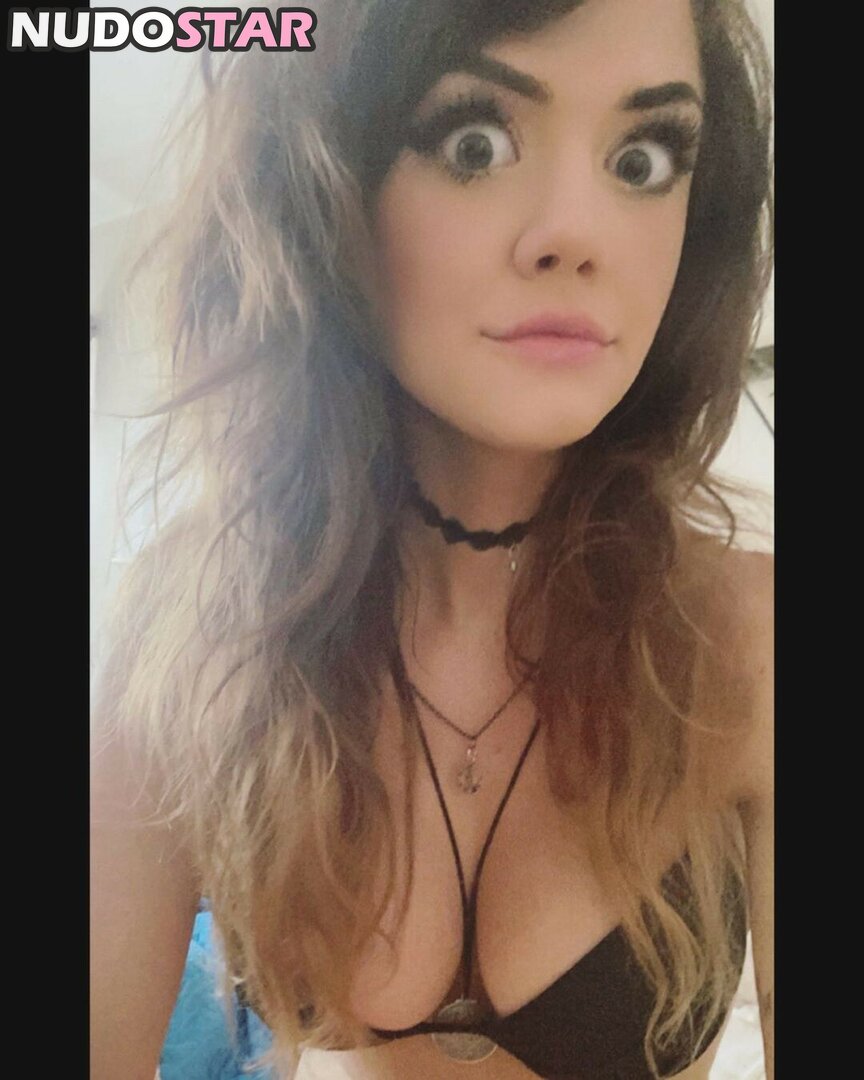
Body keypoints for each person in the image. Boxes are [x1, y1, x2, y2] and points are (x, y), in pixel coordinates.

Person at [90, 1, 774, 1078]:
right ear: (325, 188)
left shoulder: (756, 641)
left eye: (643, 159)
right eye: (475, 141)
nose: (579, 233)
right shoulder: (189, 628)